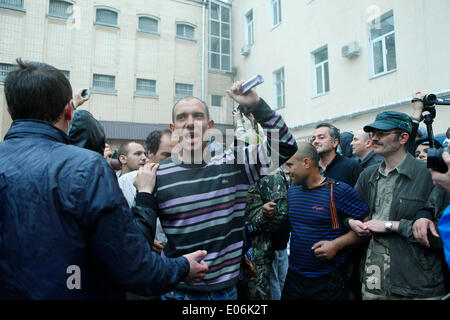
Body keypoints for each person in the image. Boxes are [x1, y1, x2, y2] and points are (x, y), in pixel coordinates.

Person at [0, 59, 208, 299]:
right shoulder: (86, 168)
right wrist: (182, 266)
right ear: (69, 110)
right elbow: (132, 266)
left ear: (9, 110)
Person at [135, 80, 297, 300]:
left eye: (197, 116)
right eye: (182, 117)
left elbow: (285, 146)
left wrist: (256, 104)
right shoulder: (156, 175)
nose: (190, 123)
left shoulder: (234, 163)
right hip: (175, 291)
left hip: (225, 292)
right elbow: (136, 245)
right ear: (174, 130)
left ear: (209, 126)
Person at [349, 110, 447, 300]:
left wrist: (391, 226)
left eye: (382, 133)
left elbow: (441, 235)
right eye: (372, 134)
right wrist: (351, 223)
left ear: (403, 138)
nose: (374, 139)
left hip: (416, 282)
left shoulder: (430, 175)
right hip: (374, 277)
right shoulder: (368, 175)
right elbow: (348, 212)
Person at [281, 142, 369, 300]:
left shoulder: (338, 190)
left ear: (306, 163)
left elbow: (366, 226)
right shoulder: (292, 192)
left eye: (289, 165)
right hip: (294, 278)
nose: (286, 171)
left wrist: (336, 245)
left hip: (327, 281)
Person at [118, 129, 175, 254]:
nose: (173, 161)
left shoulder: (184, 182)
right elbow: (118, 224)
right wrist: (143, 236)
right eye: (167, 156)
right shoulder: (126, 182)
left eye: (177, 155)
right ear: (151, 154)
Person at [243, 167, 290, 300]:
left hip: (257, 253)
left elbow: (279, 214)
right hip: (228, 253)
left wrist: (258, 220)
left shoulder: (267, 170)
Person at [311, 123, 362, 187]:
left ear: (335, 142)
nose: (315, 141)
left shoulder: (351, 167)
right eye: (313, 139)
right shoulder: (310, 169)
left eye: (321, 137)